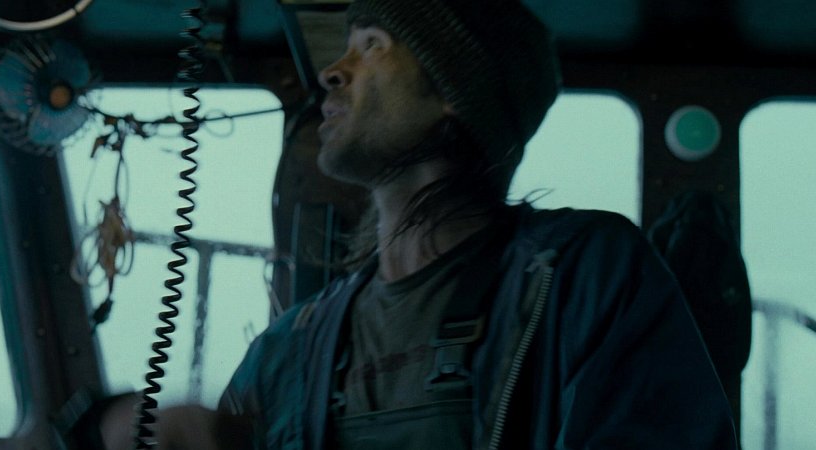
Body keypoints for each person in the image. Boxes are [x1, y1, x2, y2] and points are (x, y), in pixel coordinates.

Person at [99, 0, 738, 448]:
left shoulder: (585, 275)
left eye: (371, 46)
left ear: (455, 91)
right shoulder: (291, 346)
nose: (331, 71)